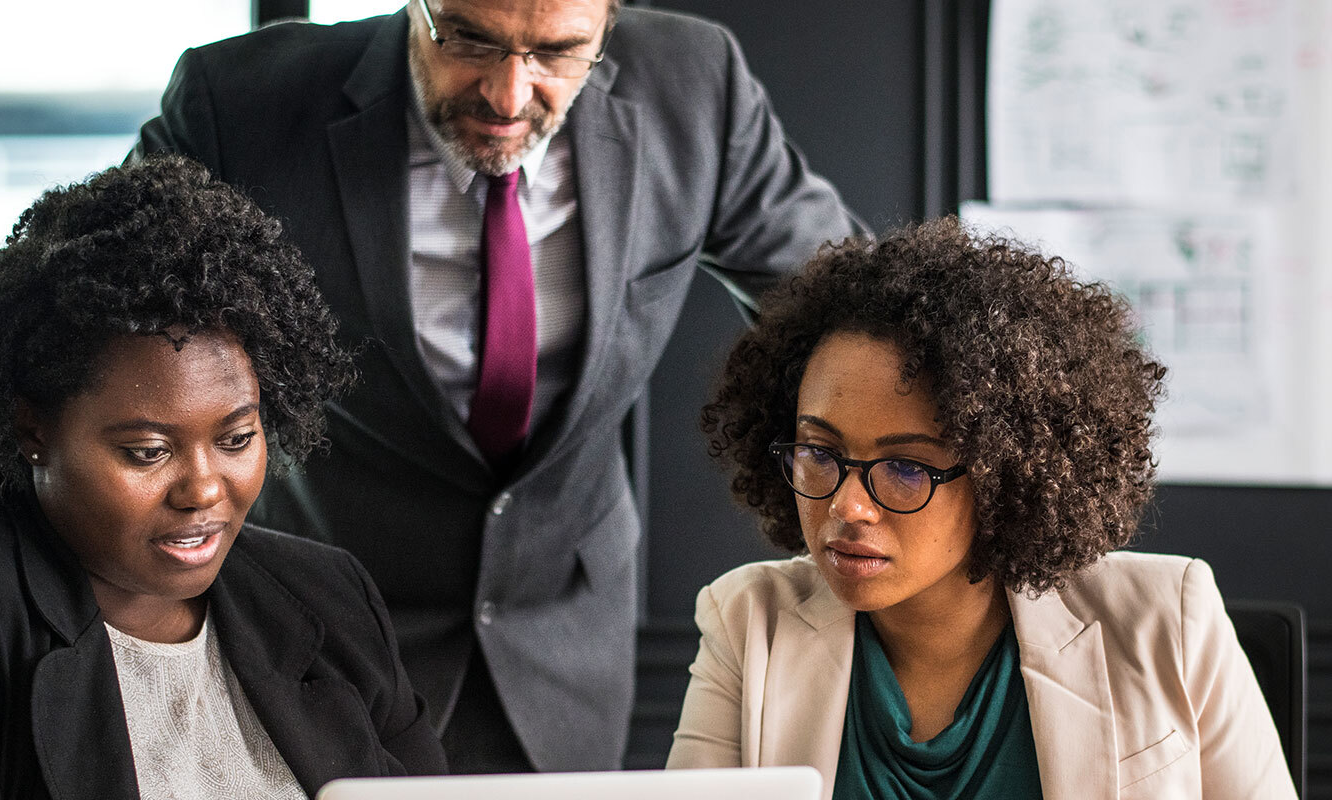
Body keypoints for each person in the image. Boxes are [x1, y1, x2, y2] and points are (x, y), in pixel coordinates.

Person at [124, 0, 861, 773]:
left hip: (563, 629)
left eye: (558, 52)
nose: (509, 96)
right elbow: (88, 316)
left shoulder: (695, 83)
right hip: (319, 621)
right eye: (470, 40)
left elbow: (853, 305)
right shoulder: (240, 100)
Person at [0, 156, 447, 800]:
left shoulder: (328, 598)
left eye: (237, 439)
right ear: (33, 430)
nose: (204, 490)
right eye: (147, 452)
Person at [666, 218, 1296, 798]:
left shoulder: (1169, 622)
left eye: (907, 468)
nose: (848, 505)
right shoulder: (749, 624)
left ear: (1005, 473)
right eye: (820, 452)